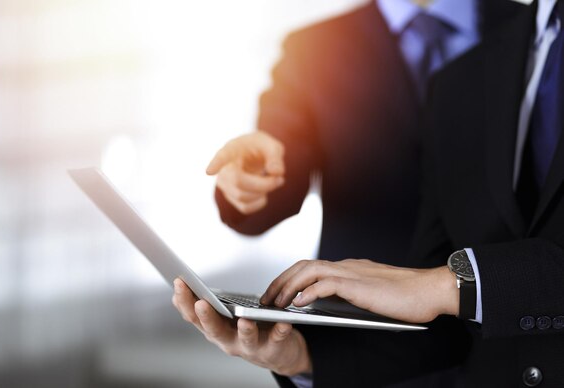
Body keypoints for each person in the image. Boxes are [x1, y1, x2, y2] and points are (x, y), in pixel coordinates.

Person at [173, 0, 524, 387]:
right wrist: (248, 183)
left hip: (515, 336)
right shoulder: (314, 48)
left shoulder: (535, 30)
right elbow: (277, 163)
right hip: (360, 350)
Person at [257, 0, 564, 386]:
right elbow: (449, 325)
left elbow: (442, 290)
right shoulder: (462, 79)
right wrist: (304, 356)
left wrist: (448, 285)